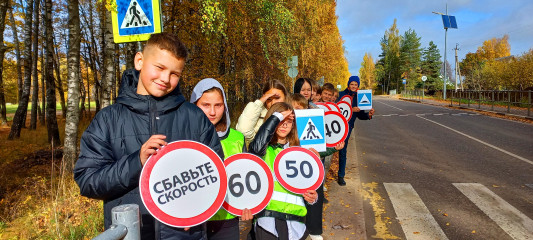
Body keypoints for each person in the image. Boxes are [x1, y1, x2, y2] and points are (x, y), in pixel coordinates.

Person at [74, 33, 223, 240]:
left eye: (174, 74)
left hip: (185, 235)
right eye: (160, 68)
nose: (165, 78)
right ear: (139, 61)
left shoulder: (195, 117)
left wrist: (195, 210)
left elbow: (215, 174)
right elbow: (88, 180)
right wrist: (137, 162)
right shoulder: (108, 119)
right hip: (129, 234)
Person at [190, 78, 254, 239]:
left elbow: (245, 178)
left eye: (218, 105)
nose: (212, 112)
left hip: (227, 220)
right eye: (206, 105)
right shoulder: (183, 137)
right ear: (194, 105)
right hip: (192, 221)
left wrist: (246, 205)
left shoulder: (237, 138)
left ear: (224, 106)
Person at [247, 102, 318, 240]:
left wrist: (313, 198)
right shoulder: (263, 150)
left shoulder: (300, 152)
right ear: (272, 122)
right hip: (268, 222)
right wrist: (276, 118)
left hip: (296, 224)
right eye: (280, 121)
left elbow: (310, 187)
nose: (284, 125)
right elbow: (255, 149)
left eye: (289, 121)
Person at [336, 76, 374, 186]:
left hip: (348, 127)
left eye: (356, 84)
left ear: (358, 86)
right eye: (352, 84)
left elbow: (361, 115)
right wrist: (351, 109)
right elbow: (336, 108)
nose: (353, 86)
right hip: (337, 126)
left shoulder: (359, 97)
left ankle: (341, 175)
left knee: (343, 151)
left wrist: (369, 115)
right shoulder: (341, 94)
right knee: (328, 150)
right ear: (348, 84)